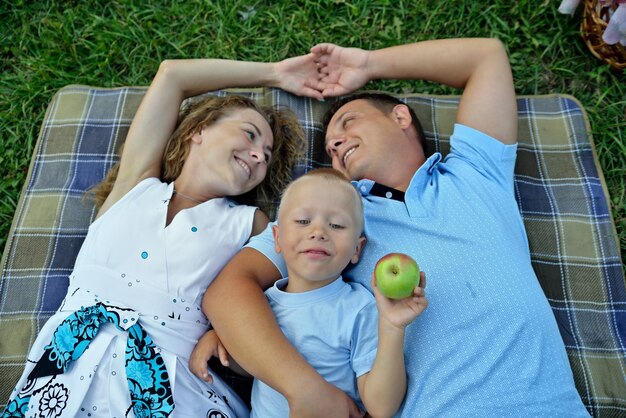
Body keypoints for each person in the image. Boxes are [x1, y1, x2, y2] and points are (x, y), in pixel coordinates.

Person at [202, 39, 591, 417]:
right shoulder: (336, 214)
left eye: (348, 123)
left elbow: (485, 58)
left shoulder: (476, 172)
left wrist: (369, 65)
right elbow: (227, 292)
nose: (336, 145)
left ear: (400, 117)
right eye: (332, 151)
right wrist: (304, 388)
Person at [1, 54, 325, 418]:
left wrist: (232, 331)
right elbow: (173, 75)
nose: (258, 156)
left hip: (170, 386)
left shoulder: (249, 223)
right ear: (197, 130)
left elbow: (296, 287)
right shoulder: (133, 187)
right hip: (66, 374)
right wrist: (276, 73)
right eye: (249, 135)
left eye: (266, 156)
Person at [190, 168, 428, 417]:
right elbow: (255, 368)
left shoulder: (359, 308)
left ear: (357, 249)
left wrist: (392, 328)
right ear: (277, 238)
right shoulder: (261, 306)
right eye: (303, 221)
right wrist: (223, 341)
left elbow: (381, 407)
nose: (318, 232)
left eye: (336, 225)